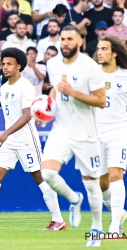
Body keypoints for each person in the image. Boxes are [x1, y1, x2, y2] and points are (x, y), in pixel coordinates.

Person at [0, 47, 64, 232]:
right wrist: (7, 136)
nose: (5, 67)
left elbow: (27, 116)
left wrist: (5, 133)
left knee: (40, 177)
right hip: (9, 141)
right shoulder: (6, 86)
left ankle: (58, 220)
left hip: (26, 140)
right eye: (4, 64)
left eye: (9, 64)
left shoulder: (25, 86)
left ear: (19, 66)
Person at [41, 25, 106, 247]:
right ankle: (73, 199)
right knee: (47, 173)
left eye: (70, 39)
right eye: (63, 39)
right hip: (61, 129)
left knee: (91, 184)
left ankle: (97, 229)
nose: (65, 42)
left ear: (79, 42)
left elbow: (101, 100)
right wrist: (46, 110)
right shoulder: (52, 63)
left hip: (86, 132)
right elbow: (56, 91)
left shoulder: (90, 66)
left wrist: (73, 92)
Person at [94, 36, 127, 236]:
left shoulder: (125, 76)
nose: (99, 52)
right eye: (98, 48)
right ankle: (120, 213)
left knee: (116, 175)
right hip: (96, 132)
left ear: (114, 52)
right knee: (100, 181)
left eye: (104, 49)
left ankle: (114, 227)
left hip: (119, 131)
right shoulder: (90, 75)